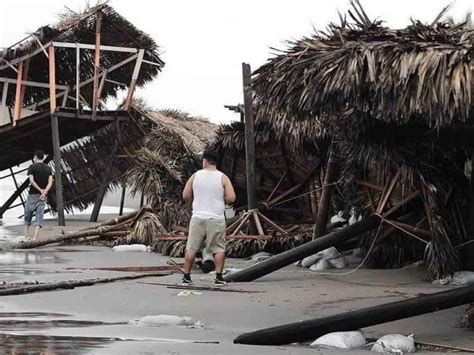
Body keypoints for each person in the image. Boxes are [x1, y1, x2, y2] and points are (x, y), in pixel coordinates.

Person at [182, 149, 236, 285]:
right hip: (216, 217)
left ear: (205, 161)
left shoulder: (195, 176)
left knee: (192, 248)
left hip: (198, 217)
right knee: (218, 248)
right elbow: (231, 198)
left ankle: (186, 277)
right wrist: (222, 198)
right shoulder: (222, 177)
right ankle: (218, 277)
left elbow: (185, 195)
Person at [24, 150, 53, 239]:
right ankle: (35, 238)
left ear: (35, 157)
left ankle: (26, 237)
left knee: (27, 215)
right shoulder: (48, 168)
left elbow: (32, 181)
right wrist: (44, 192)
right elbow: (50, 182)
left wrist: (40, 190)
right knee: (39, 216)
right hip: (43, 196)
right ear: (43, 157)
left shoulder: (32, 167)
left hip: (32, 195)